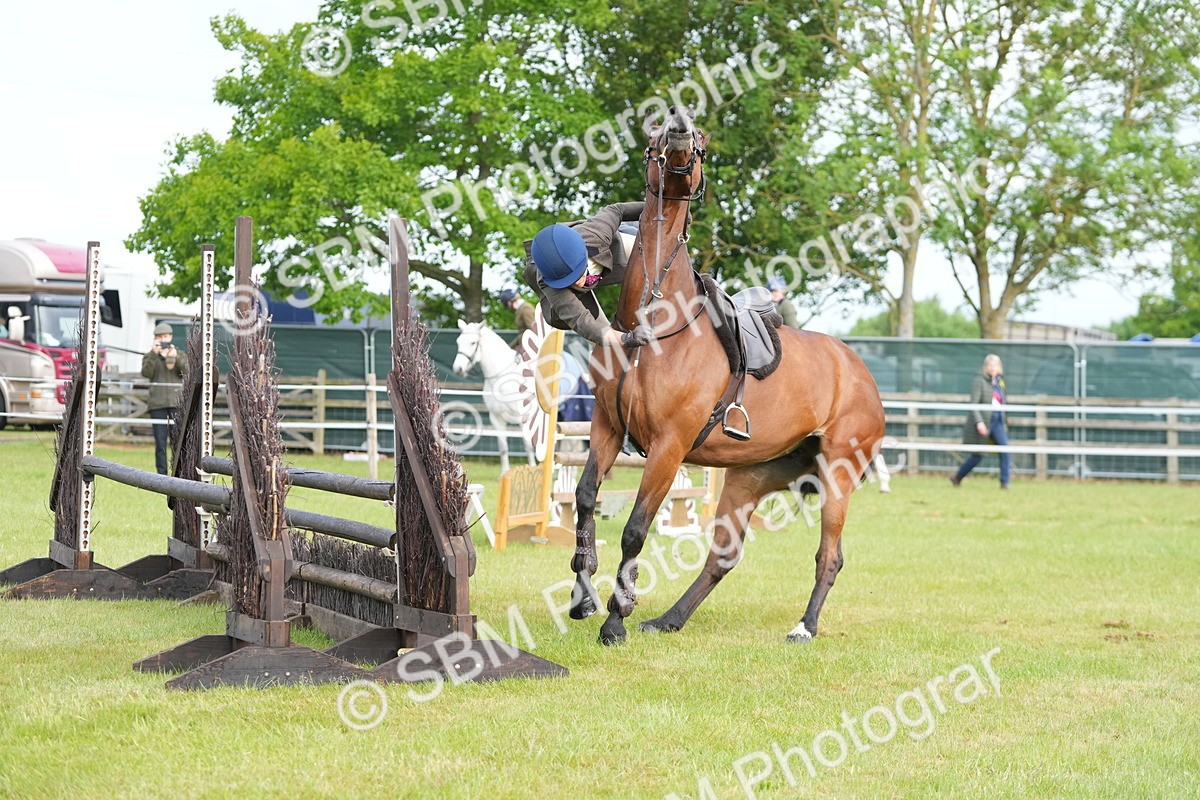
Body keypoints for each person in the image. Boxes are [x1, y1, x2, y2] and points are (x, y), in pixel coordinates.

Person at [523, 202, 653, 349]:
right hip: (573, 303)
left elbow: (617, 209)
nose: (578, 284)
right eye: (569, 281)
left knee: (651, 247)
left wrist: (660, 207)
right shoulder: (551, 285)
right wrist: (626, 338)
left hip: (605, 249)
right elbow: (584, 323)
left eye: (577, 275)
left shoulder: (595, 233)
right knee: (607, 346)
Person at [951, 354, 1010, 489]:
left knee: (1005, 450)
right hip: (984, 420)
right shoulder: (980, 381)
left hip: (997, 421)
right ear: (985, 367)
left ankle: (1004, 482)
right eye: (990, 365)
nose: (992, 368)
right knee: (978, 455)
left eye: (995, 365)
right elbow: (974, 404)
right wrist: (979, 422)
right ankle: (958, 477)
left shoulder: (1000, 382)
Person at [141, 322, 188, 475]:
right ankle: (161, 475)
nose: (164, 340)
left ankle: (178, 472)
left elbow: (187, 371)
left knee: (178, 442)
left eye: (166, 336)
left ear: (171, 337)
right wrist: (155, 354)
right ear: (156, 339)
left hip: (176, 404)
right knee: (160, 444)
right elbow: (146, 373)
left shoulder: (179, 354)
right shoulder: (150, 356)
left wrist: (175, 357)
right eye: (160, 337)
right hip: (157, 405)